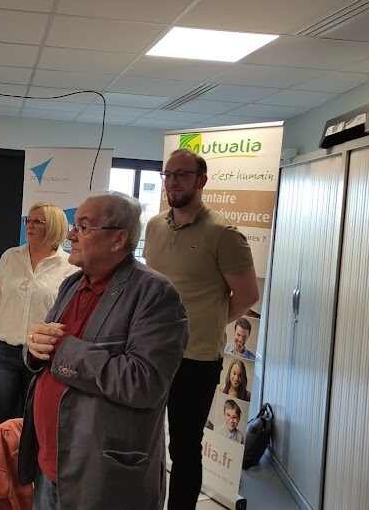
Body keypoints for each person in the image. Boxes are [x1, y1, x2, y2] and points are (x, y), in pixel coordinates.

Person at [18, 192, 189, 510]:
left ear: (118, 239)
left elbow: (144, 382)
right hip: (50, 464)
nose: (71, 235)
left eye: (83, 227)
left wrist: (63, 350)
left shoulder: (155, 293)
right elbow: (49, 348)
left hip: (101, 477)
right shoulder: (72, 284)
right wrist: (35, 348)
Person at [143, 148, 259, 510]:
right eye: (168, 174)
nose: (173, 182)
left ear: (201, 180)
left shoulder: (224, 234)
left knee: (183, 447)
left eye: (182, 174)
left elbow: (247, 296)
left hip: (195, 358)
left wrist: (206, 321)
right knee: (142, 440)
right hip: (148, 353)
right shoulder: (154, 226)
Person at [0, 202, 77, 427]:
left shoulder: (70, 267)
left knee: (33, 420)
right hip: (4, 351)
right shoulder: (11, 257)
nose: (30, 225)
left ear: (55, 226)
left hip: (42, 356)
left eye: (38, 221)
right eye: (29, 220)